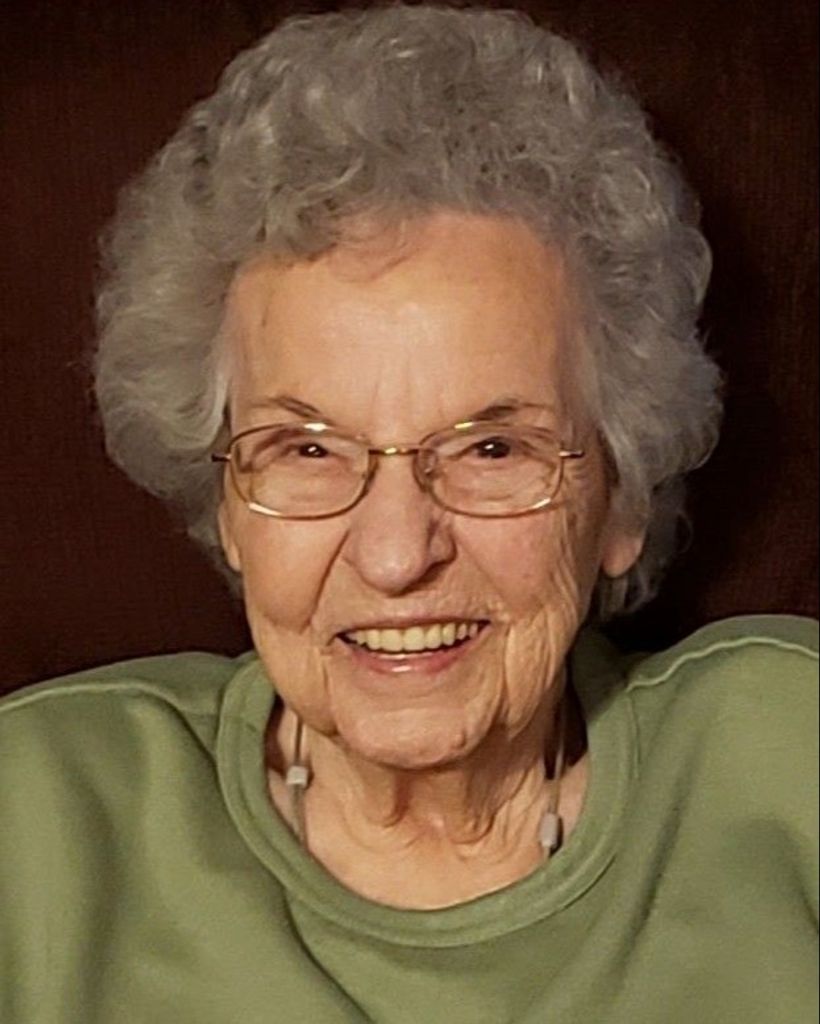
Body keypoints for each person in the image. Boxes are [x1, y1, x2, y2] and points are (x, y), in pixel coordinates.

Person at [0, 4, 816, 1022]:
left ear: (622, 497)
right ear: (230, 510)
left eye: (491, 449)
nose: (394, 555)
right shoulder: (39, 823)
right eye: (306, 449)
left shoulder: (788, 758)